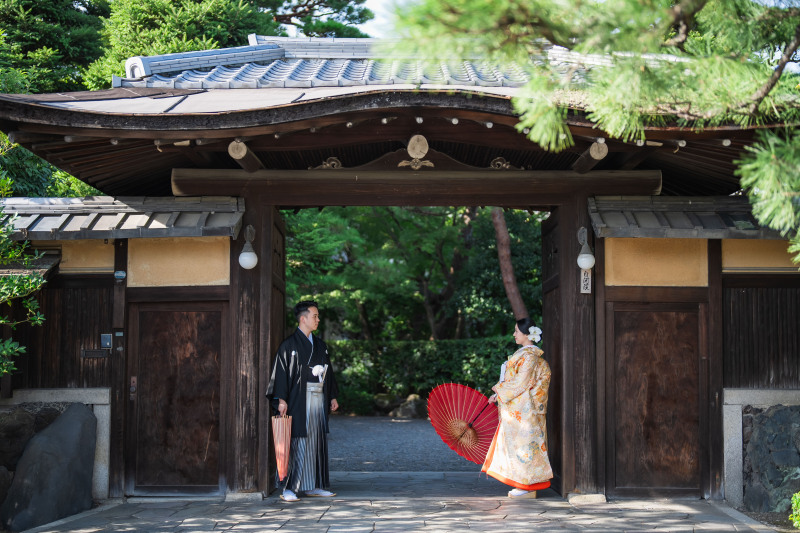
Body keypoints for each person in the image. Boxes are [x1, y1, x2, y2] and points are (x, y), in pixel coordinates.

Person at [267, 300, 339, 502]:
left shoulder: (320, 345)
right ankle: (289, 488)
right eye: (315, 316)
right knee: (297, 442)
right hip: (298, 400)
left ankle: (313, 485)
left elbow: (329, 373)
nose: (318, 319)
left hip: (318, 398)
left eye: (317, 316)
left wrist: (332, 395)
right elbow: (281, 374)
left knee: (316, 442)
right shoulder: (288, 346)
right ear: (303, 319)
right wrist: (281, 400)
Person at [481, 317, 553, 498]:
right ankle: (524, 485)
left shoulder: (529, 357)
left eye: (517, 331)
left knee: (526, 447)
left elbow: (520, 383)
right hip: (522, 407)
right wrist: (499, 394)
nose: (514, 334)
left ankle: (528, 486)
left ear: (527, 335)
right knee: (522, 447)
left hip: (526, 410)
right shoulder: (526, 355)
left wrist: (499, 390)